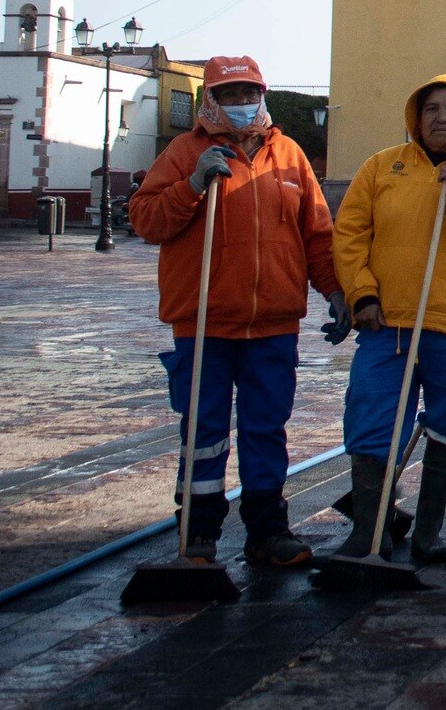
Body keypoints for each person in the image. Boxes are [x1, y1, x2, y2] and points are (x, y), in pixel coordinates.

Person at [128, 56, 342, 567]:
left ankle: (268, 531)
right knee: (203, 430)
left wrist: (335, 291)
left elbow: (317, 234)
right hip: (203, 322)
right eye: (229, 95)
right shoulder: (184, 152)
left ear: (262, 95)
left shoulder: (289, 155)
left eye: (249, 93)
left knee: (266, 428)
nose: (242, 103)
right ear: (211, 100)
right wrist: (191, 186)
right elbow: (146, 220)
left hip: (273, 324)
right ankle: (198, 531)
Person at [332, 73, 446, 562]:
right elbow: (350, 234)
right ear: (416, 117)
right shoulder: (381, 167)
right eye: (432, 108)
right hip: (386, 323)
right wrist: (361, 294)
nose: (442, 118)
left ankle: (428, 534)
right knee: (372, 417)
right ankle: (369, 533)